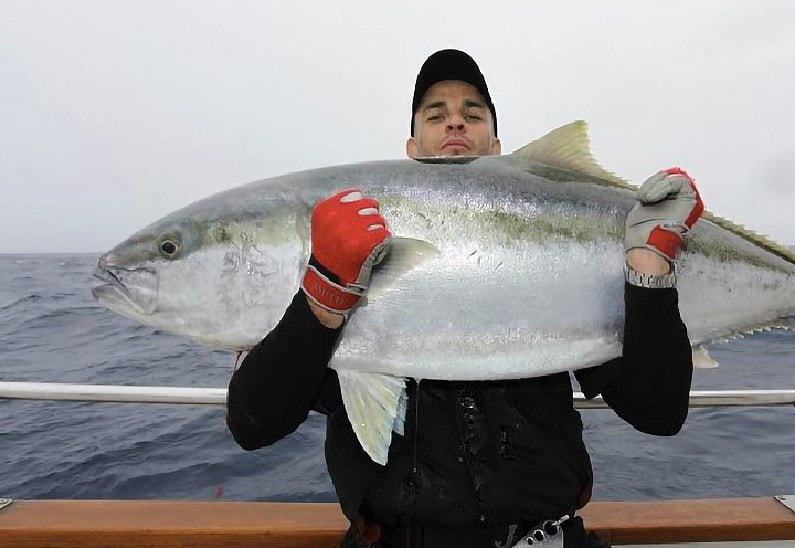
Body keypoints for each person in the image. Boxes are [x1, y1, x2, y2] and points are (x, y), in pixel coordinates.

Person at [226, 49, 704, 548]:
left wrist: (651, 270)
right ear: (411, 146)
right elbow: (253, 424)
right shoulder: (342, 248)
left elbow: (658, 412)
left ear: (497, 145)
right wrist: (323, 298)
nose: (455, 120)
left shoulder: (555, 251)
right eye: (436, 113)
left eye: (472, 113)